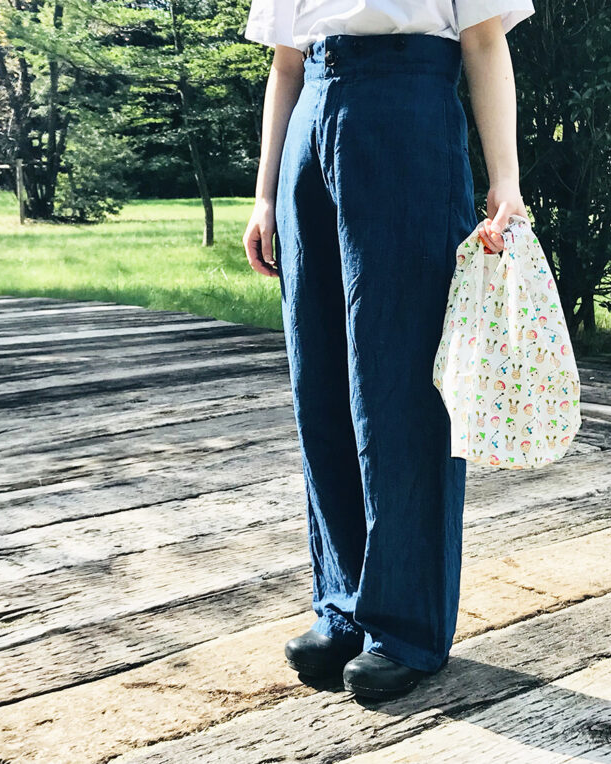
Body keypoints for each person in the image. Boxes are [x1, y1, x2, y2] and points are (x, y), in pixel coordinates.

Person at [241, 0, 533, 701]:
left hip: (408, 117)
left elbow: (483, 41)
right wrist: (263, 194)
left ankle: (405, 626)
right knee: (322, 384)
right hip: (311, 122)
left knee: (401, 386)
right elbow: (285, 63)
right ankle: (343, 606)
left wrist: (506, 178)